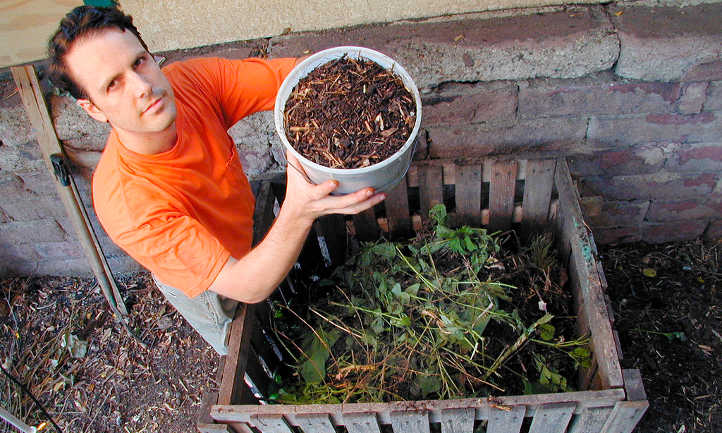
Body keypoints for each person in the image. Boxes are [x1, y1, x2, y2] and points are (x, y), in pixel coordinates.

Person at [48, 5, 386, 355]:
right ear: (93, 108)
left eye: (139, 62)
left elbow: (301, 78)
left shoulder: (187, 84)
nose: (142, 87)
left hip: (244, 228)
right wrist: (299, 211)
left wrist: (367, 86)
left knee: (275, 283)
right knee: (247, 342)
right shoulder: (128, 204)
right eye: (113, 84)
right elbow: (246, 285)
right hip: (215, 284)